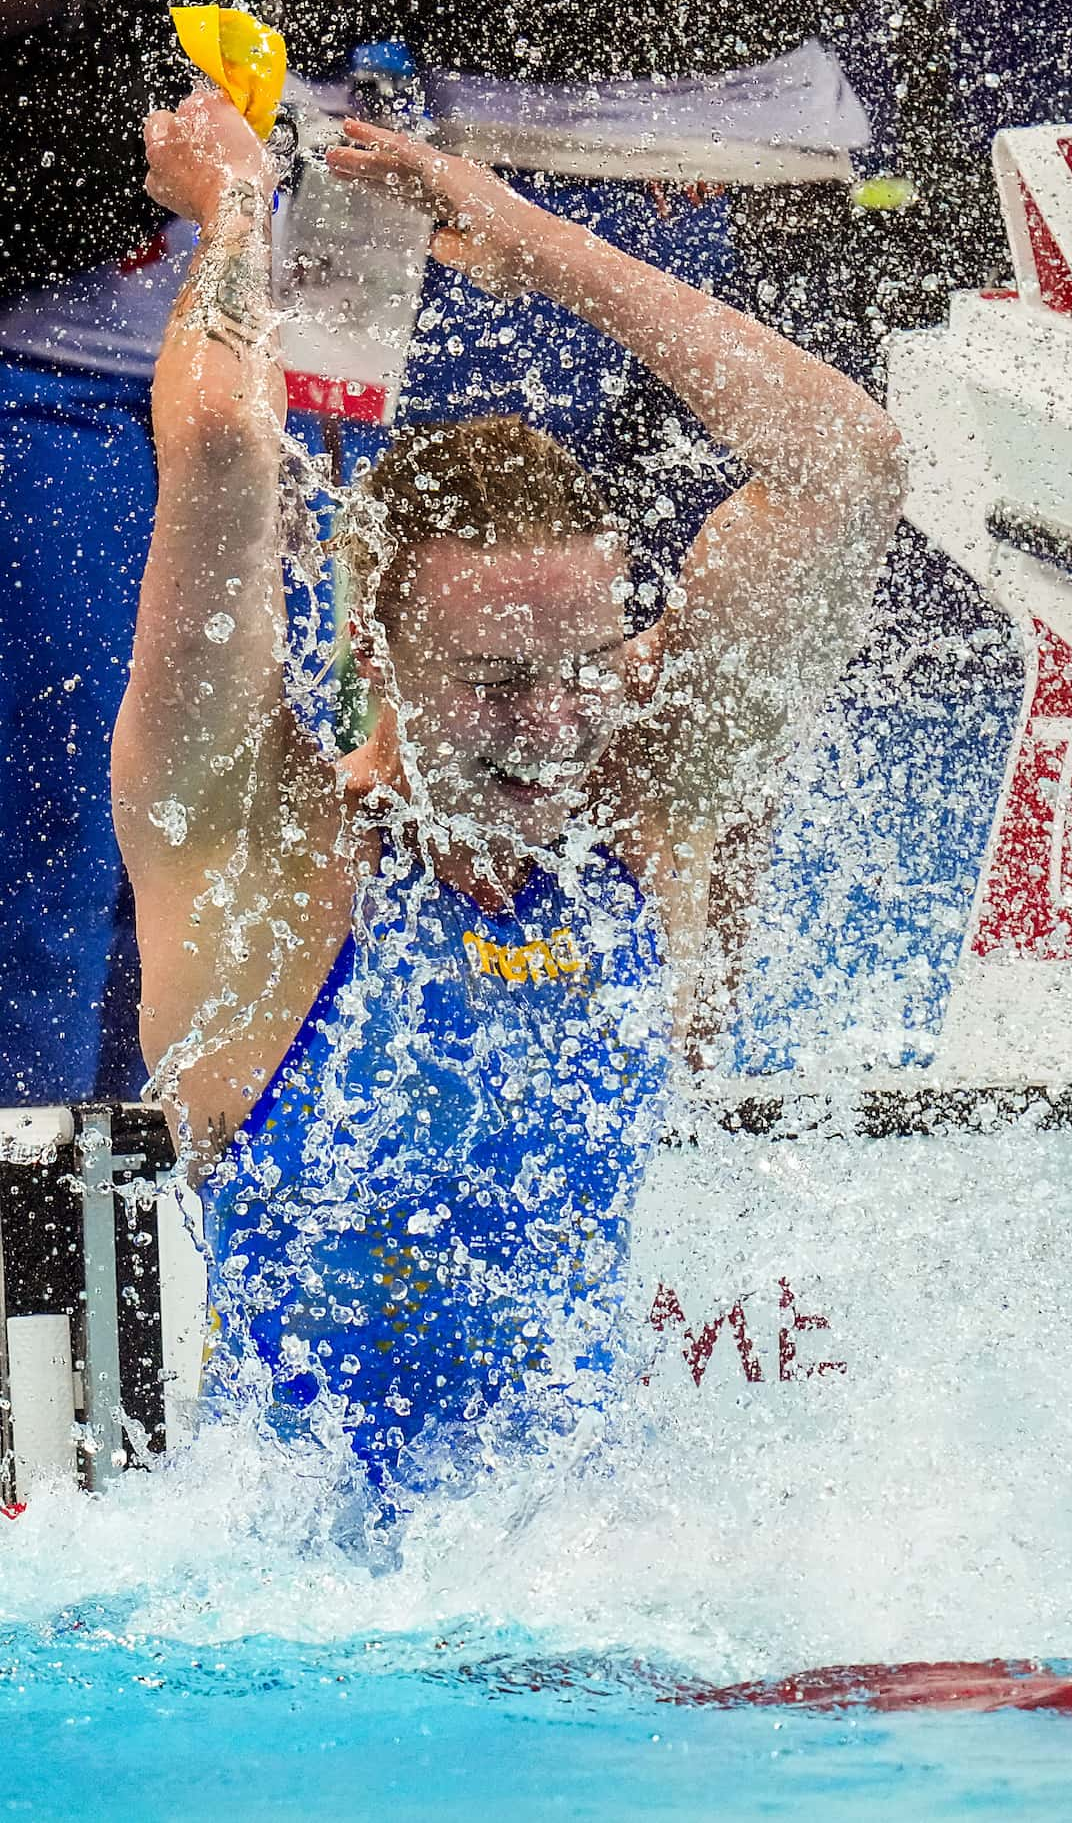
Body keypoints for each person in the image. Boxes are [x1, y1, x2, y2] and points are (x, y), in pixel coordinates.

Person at [111, 87, 903, 1494]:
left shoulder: (647, 807)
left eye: (590, 665)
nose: (554, 729)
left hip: (584, 1575)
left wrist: (536, 246)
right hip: (316, 1622)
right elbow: (228, 451)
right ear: (372, 654)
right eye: (491, 681)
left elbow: (846, 465)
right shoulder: (262, 845)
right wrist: (236, 213)